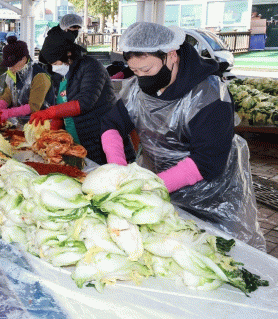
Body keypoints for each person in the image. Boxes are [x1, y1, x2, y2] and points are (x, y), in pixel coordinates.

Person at [100, 21, 265, 250]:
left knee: (211, 249)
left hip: (211, 198)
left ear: (171, 55)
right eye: (135, 71)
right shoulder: (138, 88)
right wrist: (117, 169)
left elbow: (208, 162)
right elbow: (112, 123)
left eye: (147, 70)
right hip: (159, 189)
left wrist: (152, 186)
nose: (141, 77)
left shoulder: (209, 95)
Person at [30, 38, 128, 165]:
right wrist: (52, 132)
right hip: (77, 140)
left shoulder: (92, 67)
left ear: (68, 54)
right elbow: (61, 104)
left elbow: (85, 102)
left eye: (55, 63)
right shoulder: (63, 74)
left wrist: (50, 112)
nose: (54, 67)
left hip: (99, 137)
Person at [0, 36, 55, 124]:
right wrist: (0, 106)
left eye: (13, 64)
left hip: (40, 123)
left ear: (24, 59)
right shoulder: (15, 72)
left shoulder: (40, 77)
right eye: (9, 65)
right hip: (21, 122)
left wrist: (9, 113)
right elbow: (9, 94)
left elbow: (33, 107)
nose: (10, 68)